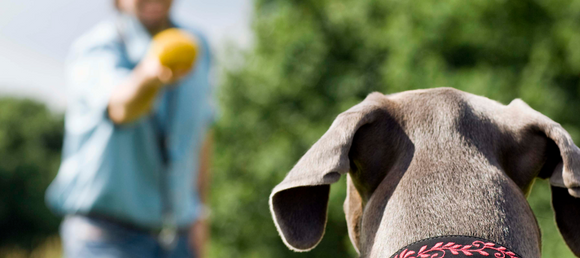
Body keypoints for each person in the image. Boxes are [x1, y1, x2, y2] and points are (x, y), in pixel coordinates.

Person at [45, 0, 214, 257]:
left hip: (178, 238)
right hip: (106, 239)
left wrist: (200, 211)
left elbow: (202, 132)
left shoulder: (198, 45)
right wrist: (149, 76)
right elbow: (122, 109)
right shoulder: (97, 48)